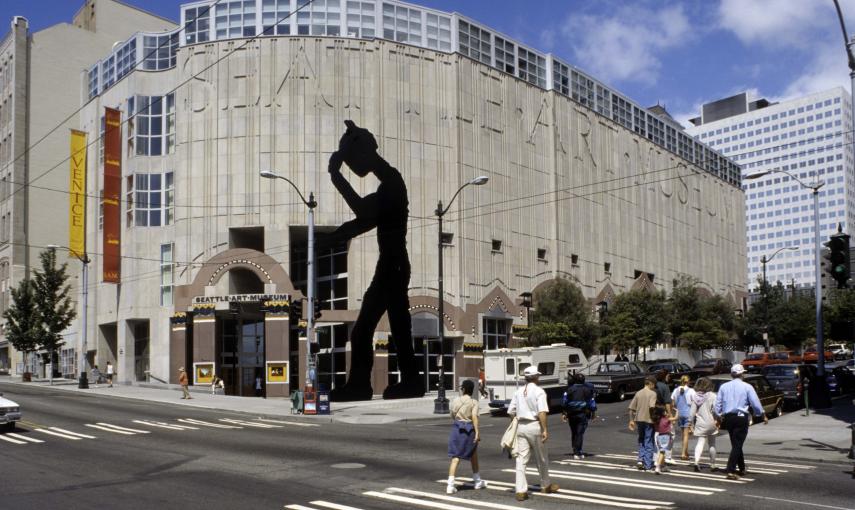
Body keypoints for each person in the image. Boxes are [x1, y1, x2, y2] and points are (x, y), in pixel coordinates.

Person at [324, 120, 422, 401]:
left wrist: (336, 175)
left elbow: (364, 215)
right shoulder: (389, 181)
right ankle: (392, 382)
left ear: (364, 153)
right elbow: (360, 222)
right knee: (388, 327)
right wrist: (330, 238)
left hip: (393, 264)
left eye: (351, 159)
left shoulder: (391, 182)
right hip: (391, 263)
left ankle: (365, 385)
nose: (353, 166)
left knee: (374, 328)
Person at [508, 366, 559, 501]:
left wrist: (516, 420)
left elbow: (510, 411)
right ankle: (545, 485)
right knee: (541, 458)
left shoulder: (518, 391)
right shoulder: (539, 391)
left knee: (521, 459)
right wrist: (544, 429)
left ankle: (520, 490)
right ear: (536, 377)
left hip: (521, 426)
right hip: (534, 425)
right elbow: (542, 412)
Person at [714, 364, 767, 480]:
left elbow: (717, 404)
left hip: (728, 418)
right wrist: (762, 414)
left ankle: (742, 467)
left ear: (732, 374)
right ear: (742, 374)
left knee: (736, 444)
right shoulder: (747, 386)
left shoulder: (724, 386)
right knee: (738, 444)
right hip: (741, 416)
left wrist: (718, 416)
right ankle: (731, 469)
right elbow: (755, 402)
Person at [446, 380, 487, 494]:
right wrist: (477, 432)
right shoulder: (474, 402)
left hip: (457, 428)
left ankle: (450, 485)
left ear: (463, 389)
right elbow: (474, 417)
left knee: (456, 457)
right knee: (473, 453)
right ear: (472, 390)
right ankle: (477, 481)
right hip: (469, 430)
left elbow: (452, 415)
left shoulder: (456, 400)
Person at [561, 372, 597, 459]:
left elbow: (564, 402)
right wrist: (593, 414)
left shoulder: (569, 390)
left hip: (571, 414)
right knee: (579, 433)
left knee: (574, 432)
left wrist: (564, 413)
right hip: (583, 414)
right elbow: (591, 403)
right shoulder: (587, 390)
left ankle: (574, 448)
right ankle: (578, 452)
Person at [628, 376, 658, 472]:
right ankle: (648, 464)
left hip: (639, 419)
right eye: (654, 384)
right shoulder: (653, 394)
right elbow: (652, 407)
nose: (654, 386)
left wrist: (631, 420)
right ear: (651, 384)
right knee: (649, 440)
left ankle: (640, 460)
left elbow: (631, 408)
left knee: (641, 439)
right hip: (649, 420)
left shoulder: (638, 393)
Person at [689, 377, 719, 472]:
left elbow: (692, 413)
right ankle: (713, 464)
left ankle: (696, 462)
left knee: (700, 443)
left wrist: (690, 423)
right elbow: (716, 410)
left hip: (700, 423)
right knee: (712, 444)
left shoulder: (695, 397)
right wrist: (718, 419)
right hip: (711, 422)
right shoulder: (713, 396)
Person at [670, 375, 696, 460]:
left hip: (679, 414)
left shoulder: (676, 390)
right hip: (688, 413)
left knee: (683, 435)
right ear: (688, 382)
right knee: (686, 435)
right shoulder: (691, 390)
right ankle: (683, 454)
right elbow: (694, 402)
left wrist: (674, 410)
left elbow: (672, 403)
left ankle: (686, 452)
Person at [654, 369, 674, 464]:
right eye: (668, 376)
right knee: (669, 434)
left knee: (655, 434)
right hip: (662, 412)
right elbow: (667, 403)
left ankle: (655, 456)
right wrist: (670, 415)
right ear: (664, 376)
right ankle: (667, 456)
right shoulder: (665, 387)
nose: (669, 377)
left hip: (653, 411)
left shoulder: (653, 385)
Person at [651, 405, 675, 474]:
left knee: (661, 451)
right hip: (665, 437)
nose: (666, 412)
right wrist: (677, 412)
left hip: (658, 436)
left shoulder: (657, 420)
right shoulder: (666, 419)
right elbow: (676, 418)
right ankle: (658, 467)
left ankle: (663, 466)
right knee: (662, 452)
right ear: (662, 413)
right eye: (665, 411)